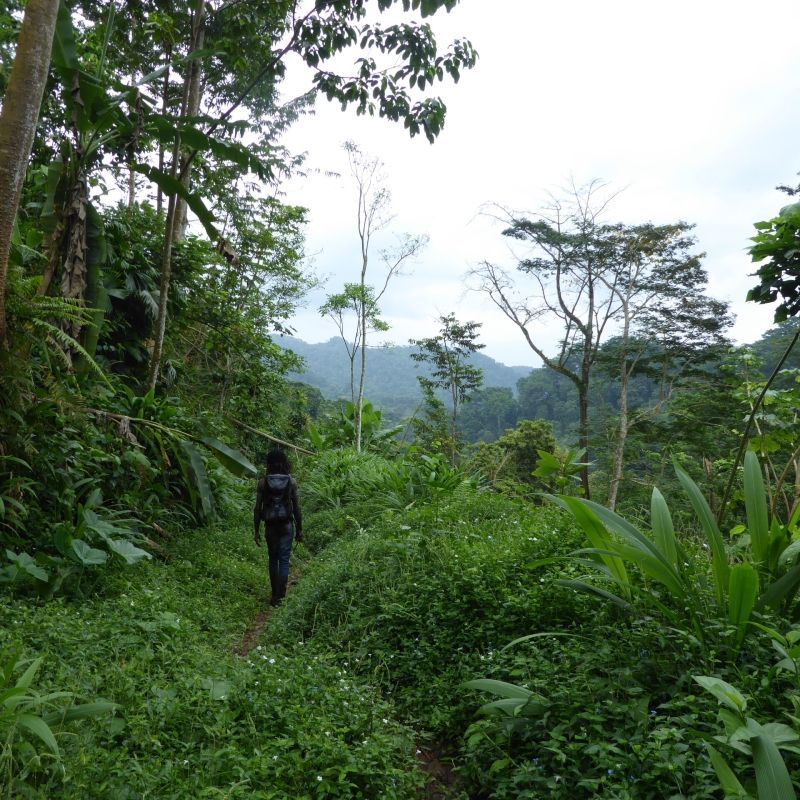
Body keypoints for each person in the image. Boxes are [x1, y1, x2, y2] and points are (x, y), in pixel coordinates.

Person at [254, 448, 303, 606]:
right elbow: (296, 508)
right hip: (286, 525)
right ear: (284, 463)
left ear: (268, 464)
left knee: (273, 559)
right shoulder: (291, 481)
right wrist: (300, 529)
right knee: (283, 560)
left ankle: (274, 595)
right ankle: (281, 596)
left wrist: (256, 530)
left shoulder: (263, 482)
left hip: (270, 526)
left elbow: (257, 508)